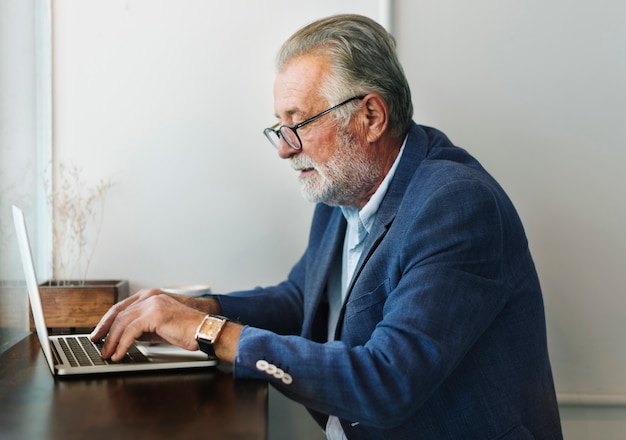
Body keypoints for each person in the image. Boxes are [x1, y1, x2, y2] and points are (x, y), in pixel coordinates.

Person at [91, 14, 563, 439]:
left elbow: (388, 380)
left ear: (371, 116)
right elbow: (302, 301)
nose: (284, 148)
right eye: (279, 126)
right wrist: (194, 308)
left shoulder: (456, 206)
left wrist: (207, 331)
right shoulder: (342, 188)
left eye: (298, 122)